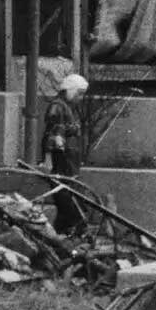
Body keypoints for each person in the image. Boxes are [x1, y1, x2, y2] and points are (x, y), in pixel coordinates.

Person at [44, 72, 89, 232]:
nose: (80, 98)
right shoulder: (58, 107)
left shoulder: (66, 107)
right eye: (79, 94)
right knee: (66, 200)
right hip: (62, 161)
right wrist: (49, 158)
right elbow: (54, 135)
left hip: (69, 162)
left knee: (66, 202)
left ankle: (62, 233)